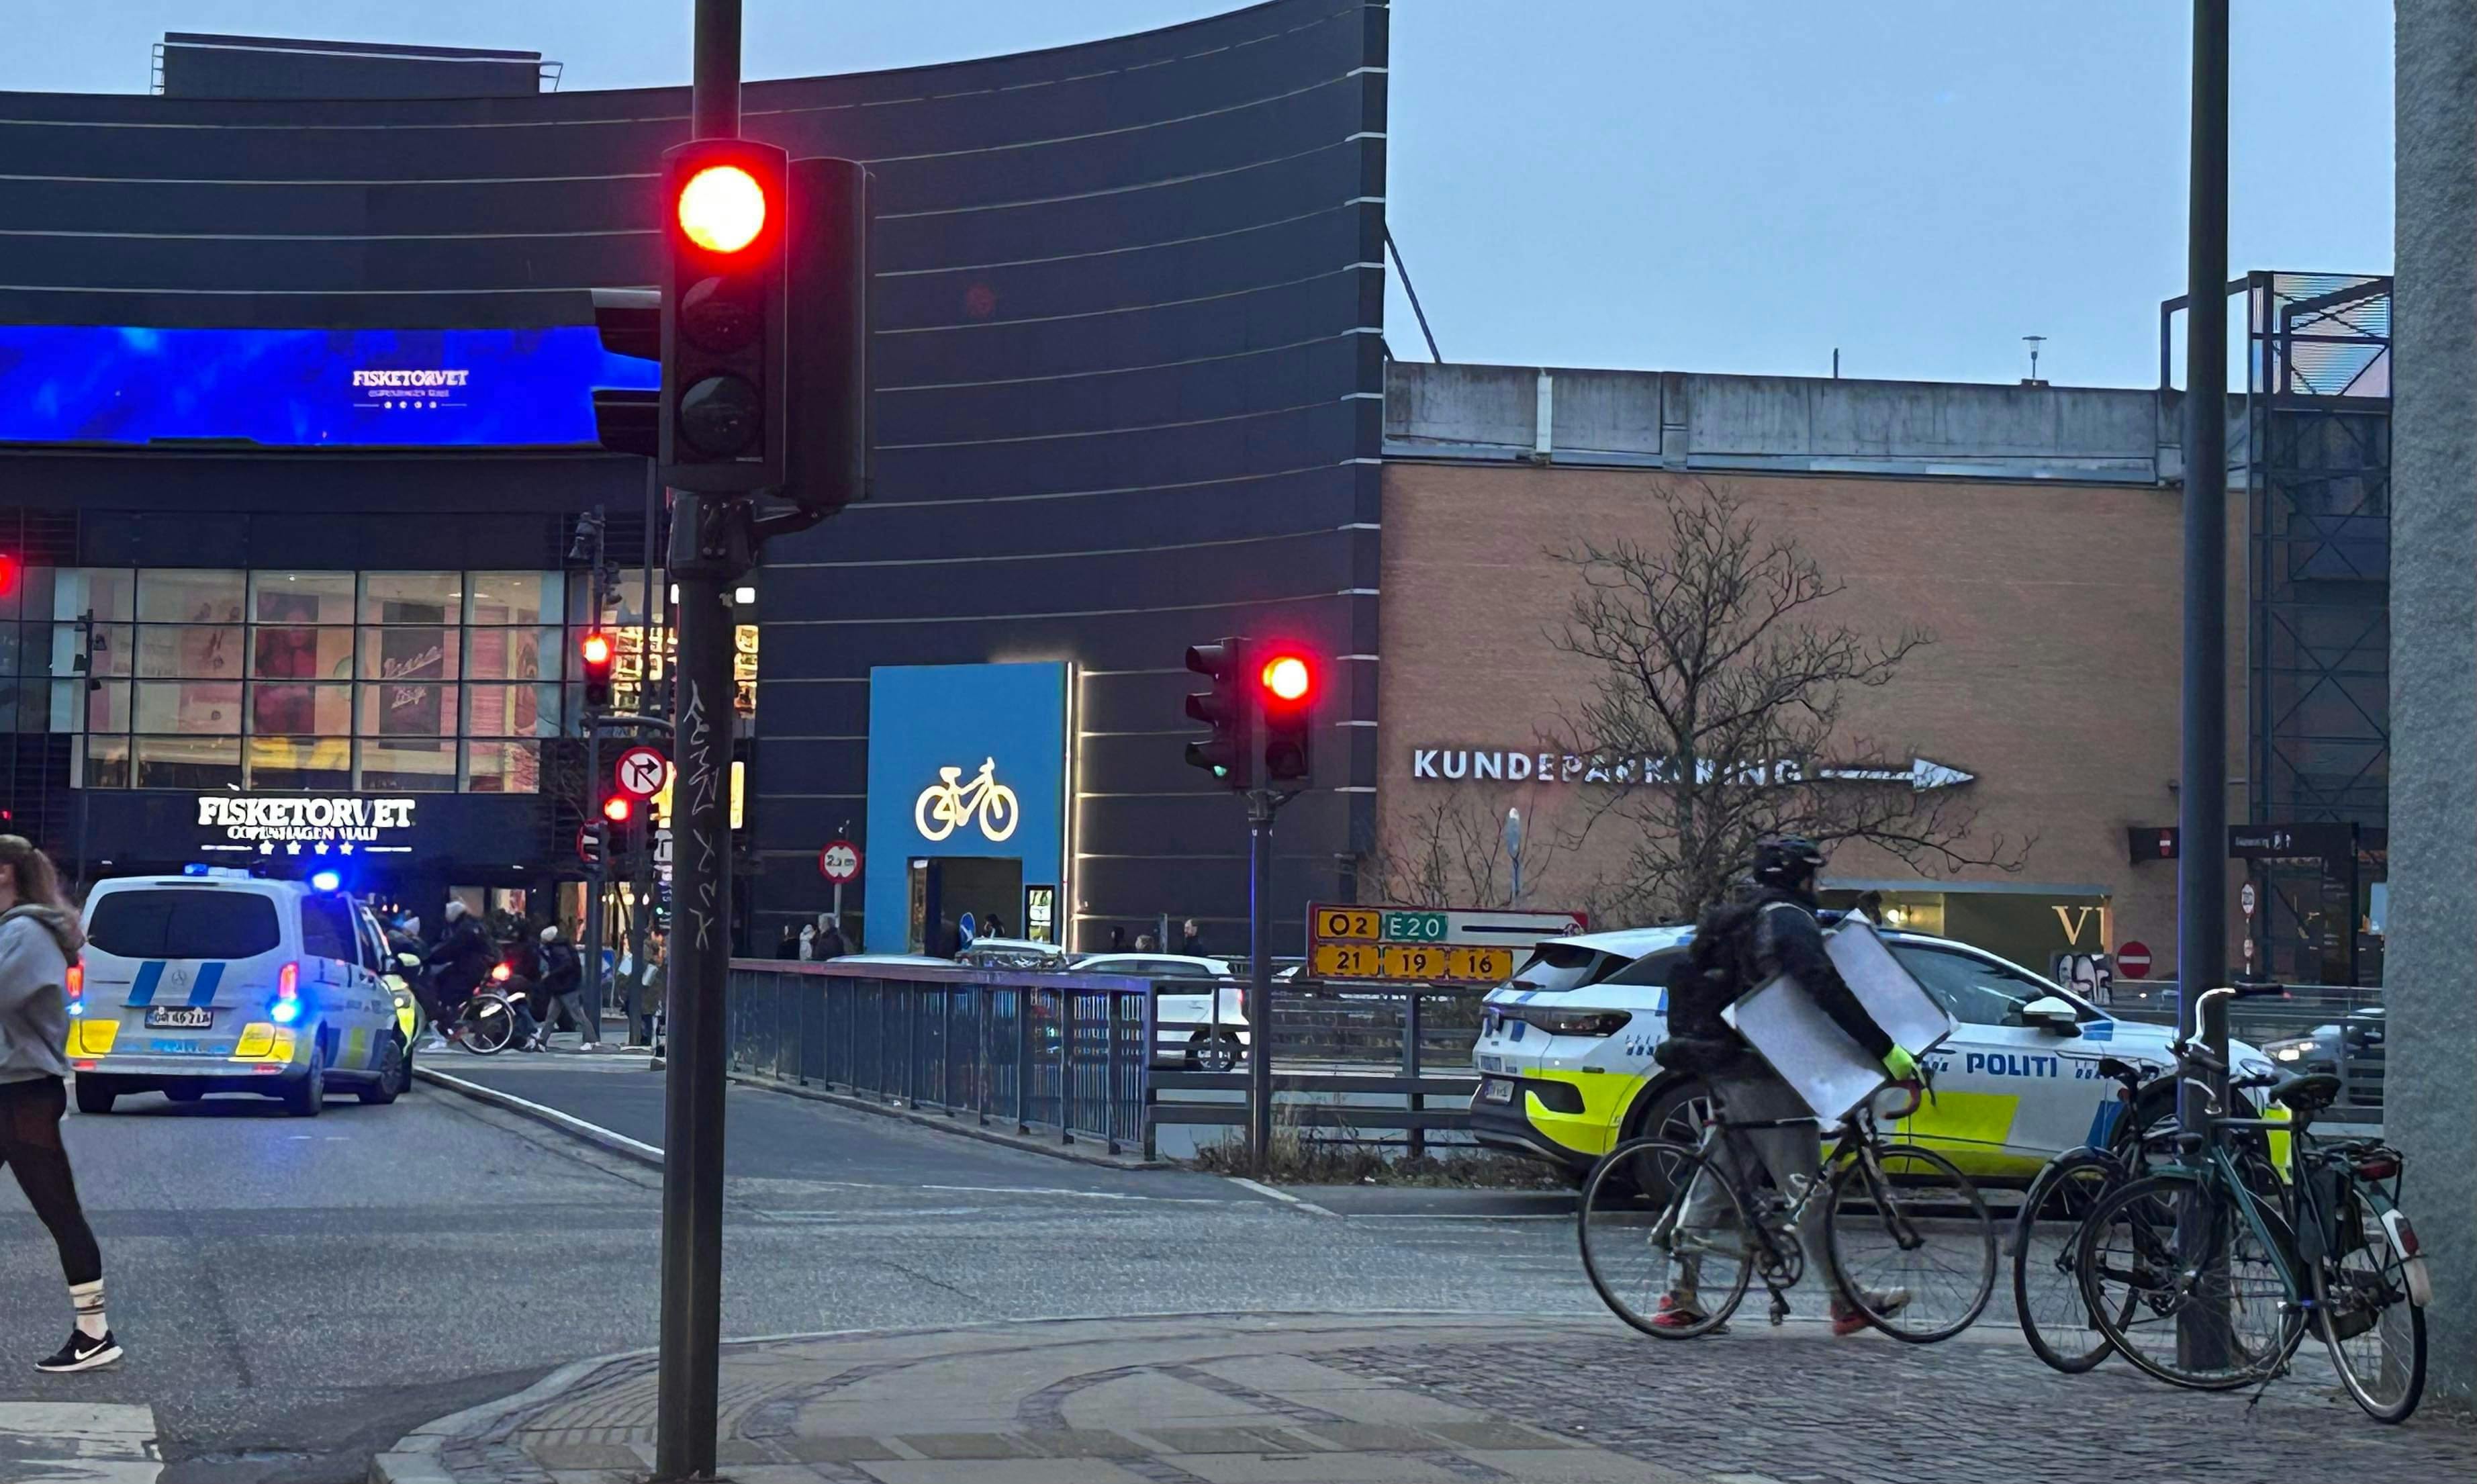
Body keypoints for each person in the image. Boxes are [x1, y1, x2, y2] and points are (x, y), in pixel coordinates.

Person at [1652, 836, 1915, 1336]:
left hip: (1727, 1061)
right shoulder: (1787, 918)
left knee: (1716, 1182)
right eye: (1813, 875)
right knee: (1806, 1186)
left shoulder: (1748, 915)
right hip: (1765, 1068)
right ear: (1797, 877)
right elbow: (1821, 988)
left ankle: (1678, 1296)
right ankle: (1844, 1302)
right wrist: (1881, 1048)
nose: (1818, 885)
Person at [0, 836, 120, 1371]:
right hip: (11, 1085)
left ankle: (94, 1333)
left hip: (21, 1090)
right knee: (59, 1210)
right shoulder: (15, 931)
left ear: (5, 873)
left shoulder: (26, 933)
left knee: (59, 1210)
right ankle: (94, 1331)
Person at [418, 900, 497, 1046]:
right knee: (464, 996)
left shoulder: (464, 930)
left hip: (470, 968)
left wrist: (430, 959)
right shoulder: (474, 925)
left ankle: (452, 1023)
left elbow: (451, 949)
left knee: (448, 990)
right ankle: (476, 1035)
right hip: (477, 967)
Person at [536, 926, 596, 1050]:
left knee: (576, 1015)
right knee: (553, 1016)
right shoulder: (562, 947)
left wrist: (551, 975)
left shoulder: (558, 949)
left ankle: (591, 1040)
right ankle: (542, 1041)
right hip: (563, 986)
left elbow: (565, 966)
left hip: (565, 987)